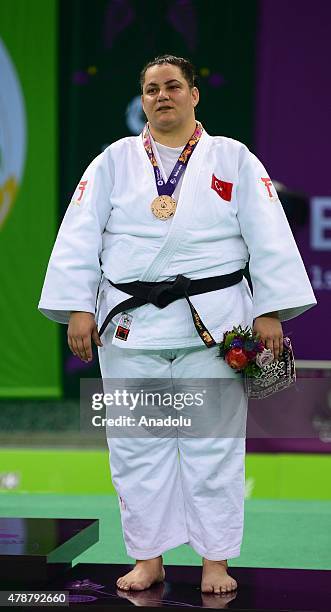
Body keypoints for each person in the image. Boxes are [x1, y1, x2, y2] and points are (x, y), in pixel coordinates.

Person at [39, 54, 316, 595]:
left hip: (212, 326)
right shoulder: (113, 162)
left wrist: (269, 310)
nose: (161, 96)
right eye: (150, 89)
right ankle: (148, 558)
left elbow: (269, 237)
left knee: (212, 447)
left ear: (194, 95)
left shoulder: (233, 159)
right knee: (135, 446)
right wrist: (78, 305)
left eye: (172, 86)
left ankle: (215, 561)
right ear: (141, 100)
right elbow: (78, 237)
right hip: (130, 326)